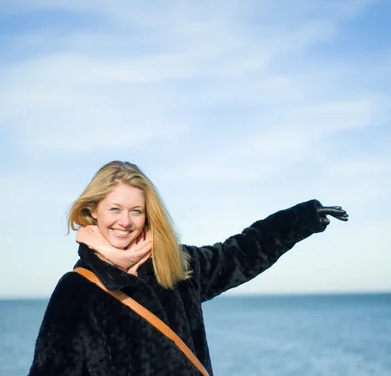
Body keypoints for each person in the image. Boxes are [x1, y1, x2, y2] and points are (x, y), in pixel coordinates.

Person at [28, 160, 348, 376]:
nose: (124, 221)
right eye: (115, 209)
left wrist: (304, 218)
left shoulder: (176, 266)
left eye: (135, 210)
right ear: (93, 210)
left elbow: (242, 252)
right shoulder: (77, 289)